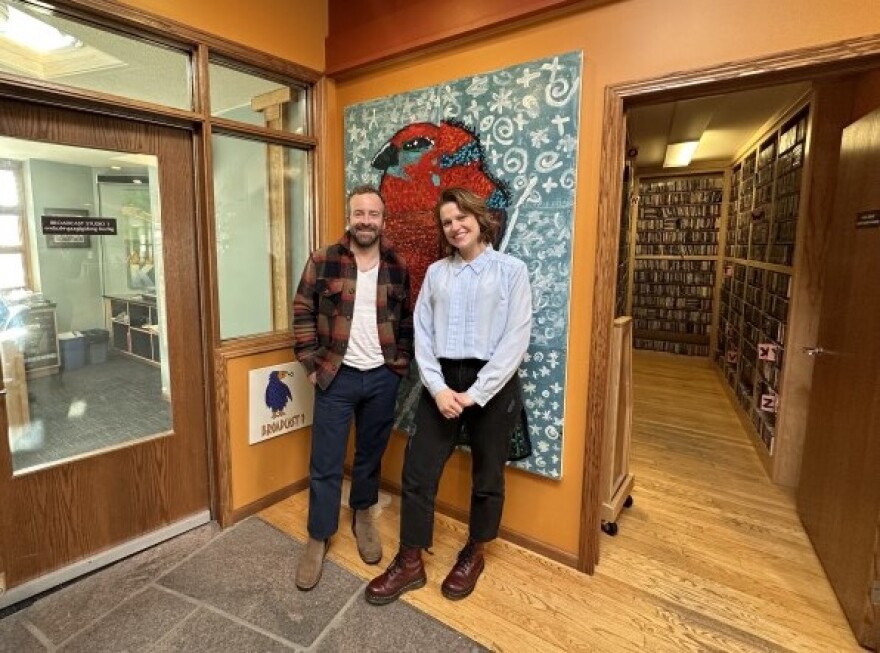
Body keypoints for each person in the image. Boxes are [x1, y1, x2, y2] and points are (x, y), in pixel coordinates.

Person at [365, 187, 532, 605]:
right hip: (440, 378)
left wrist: (476, 393)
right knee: (418, 472)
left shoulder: (511, 271)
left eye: (461, 218)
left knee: (488, 475)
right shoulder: (437, 273)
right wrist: (438, 388)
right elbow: (422, 332)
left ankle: (475, 551)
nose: (455, 227)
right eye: (446, 222)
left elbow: (516, 338)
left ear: (479, 218)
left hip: (492, 382)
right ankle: (410, 560)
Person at [293, 185, 413, 591]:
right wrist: (311, 365)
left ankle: (362, 513)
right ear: (350, 217)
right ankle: (319, 534)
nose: (365, 221)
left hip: (382, 376)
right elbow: (302, 310)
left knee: (370, 455)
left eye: (373, 214)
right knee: (325, 461)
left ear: (383, 220)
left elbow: (407, 321)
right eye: (359, 213)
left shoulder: (398, 266)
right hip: (335, 375)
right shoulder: (323, 259)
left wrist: (399, 364)